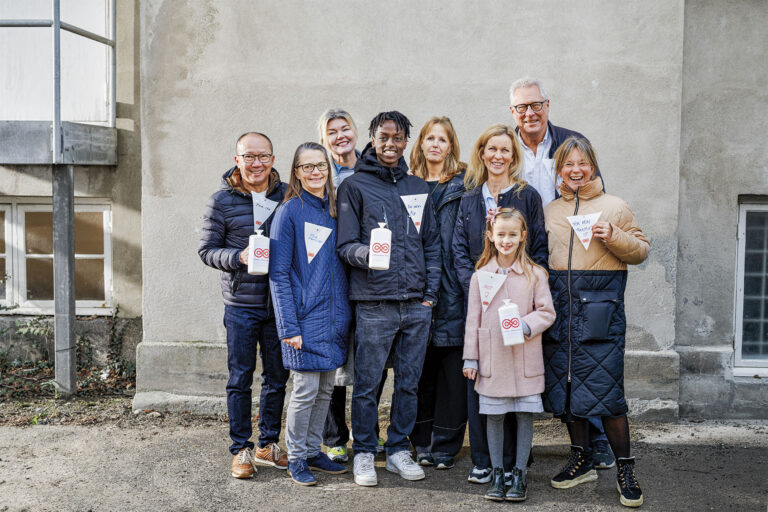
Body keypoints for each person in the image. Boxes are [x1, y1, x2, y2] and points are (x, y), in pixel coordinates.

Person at [510, 76, 613, 468]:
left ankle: (597, 440)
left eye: (536, 105)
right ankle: (521, 443)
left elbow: (596, 191)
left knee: (580, 353)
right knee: (529, 350)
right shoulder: (507, 146)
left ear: (547, 106)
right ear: (512, 112)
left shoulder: (570, 141)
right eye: (522, 107)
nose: (530, 113)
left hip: (570, 261)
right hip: (523, 261)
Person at [543, 137, 649, 508]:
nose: (575, 170)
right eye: (567, 164)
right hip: (561, 312)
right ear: (559, 170)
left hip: (600, 314)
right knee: (569, 391)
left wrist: (614, 235)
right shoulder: (550, 210)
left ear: (593, 167)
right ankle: (581, 458)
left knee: (608, 396)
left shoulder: (614, 206)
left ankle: (625, 468)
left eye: (582, 163)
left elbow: (641, 250)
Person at [336, 111, 441, 486]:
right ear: (372, 138)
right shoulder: (354, 186)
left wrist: (430, 295)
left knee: (409, 383)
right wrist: (370, 255)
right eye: (384, 137)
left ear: (405, 142)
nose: (391, 144)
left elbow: (432, 244)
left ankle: (397, 449)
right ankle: (364, 451)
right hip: (373, 302)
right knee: (367, 384)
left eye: (398, 138)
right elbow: (344, 246)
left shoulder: (418, 188)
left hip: (416, 304)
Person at [451, 123, 547, 485]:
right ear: (481, 153)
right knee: (482, 380)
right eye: (491, 149)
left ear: (514, 155)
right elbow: (459, 250)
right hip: (480, 299)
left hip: (520, 300)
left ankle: (514, 465)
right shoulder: (469, 198)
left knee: (517, 387)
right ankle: (484, 460)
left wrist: (523, 288)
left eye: (505, 150)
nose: (498, 156)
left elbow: (538, 248)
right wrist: (479, 287)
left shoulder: (527, 195)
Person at [198, 132, 289, 478]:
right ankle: (241, 449)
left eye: (262, 156)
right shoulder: (221, 201)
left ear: (272, 159)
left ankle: (267, 443)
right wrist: (239, 256)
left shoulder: (286, 195)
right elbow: (207, 250)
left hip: (280, 303)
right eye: (249, 157)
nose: (256, 163)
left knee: (278, 377)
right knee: (240, 378)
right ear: (237, 160)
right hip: (240, 304)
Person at [269, 142, 352, 485]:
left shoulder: (336, 208)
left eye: (321, 166)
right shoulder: (289, 211)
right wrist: (289, 325)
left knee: (326, 390)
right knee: (304, 391)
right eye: (307, 167)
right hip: (303, 321)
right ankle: (297, 456)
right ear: (296, 172)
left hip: (335, 319)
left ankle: (313, 449)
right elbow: (279, 273)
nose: (315, 172)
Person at [463, 208, 555, 501]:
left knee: (525, 415)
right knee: (495, 417)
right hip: (493, 360)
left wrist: (526, 325)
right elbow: (472, 321)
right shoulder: (480, 276)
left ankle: (520, 474)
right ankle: (498, 472)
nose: (506, 240)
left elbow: (547, 312)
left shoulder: (535, 275)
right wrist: (471, 358)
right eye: (501, 234)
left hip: (524, 357)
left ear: (522, 237)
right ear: (490, 235)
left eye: (512, 235)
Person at [316, 108, 389, 462]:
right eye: (332, 131)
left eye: (345, 128)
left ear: (356, 133)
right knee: (332, 358)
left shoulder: (372, 170)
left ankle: (368, 432)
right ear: (324, 139)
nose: (340, 135)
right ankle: (334, 436)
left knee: (370, 360)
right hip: (330, 276)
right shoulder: (319, 174)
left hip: (367, 276)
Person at [408, 116, 467, 469]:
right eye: (429, 138)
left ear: (450, 147)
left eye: (442, 139)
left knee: (451, 372)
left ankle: (446, 445)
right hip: (414, 287)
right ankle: (420, 441)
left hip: (451, 288)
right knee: (418, 371)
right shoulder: (408, 185)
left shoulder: (463, 187)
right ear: (421, 144)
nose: (435, 144)